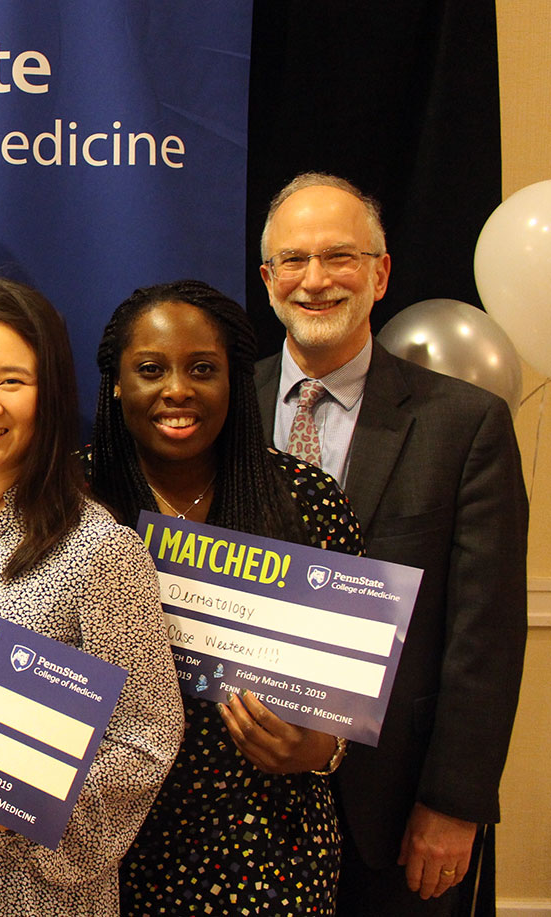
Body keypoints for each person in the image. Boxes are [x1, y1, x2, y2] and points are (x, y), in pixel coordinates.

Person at [254, 173, 527, 914]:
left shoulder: (463, 425)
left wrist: (454, 802)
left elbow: (486, 638)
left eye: (340, 256)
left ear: (380, 273)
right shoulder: (222, 415)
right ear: (268, 278)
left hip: (396, 813)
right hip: (240, 814)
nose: (316, 280)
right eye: (295, 260)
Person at [0, 276, 183, 916]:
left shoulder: (100, 549)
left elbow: (146, 737)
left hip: (31, 893)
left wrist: (22, 803)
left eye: (12, 381)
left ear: (49, 394)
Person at [86, 279, 364, 914]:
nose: (177, 389)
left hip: (269, 850)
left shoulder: (308, 503)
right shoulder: (69, 503)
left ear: (235, 382)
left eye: (203, 369)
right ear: (118, 384)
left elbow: (349, 704)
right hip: (105, 855)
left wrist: (320, 749)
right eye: (150, 369)